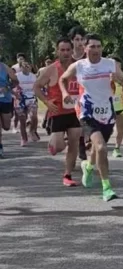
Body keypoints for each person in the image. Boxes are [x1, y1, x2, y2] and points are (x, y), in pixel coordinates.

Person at [59, 34, 123, 201]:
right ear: (85, 48)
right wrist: (65, 93)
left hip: (107, 112)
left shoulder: (110, 64)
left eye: (99, 46)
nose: (96, 50)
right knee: (101, 148)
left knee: (97, 148)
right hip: (86, 111)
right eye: (92, 46)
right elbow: (63, 79)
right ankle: (107, 188)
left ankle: (89, 166)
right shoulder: (79, 66)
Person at [34, 38, 83, 186]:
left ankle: (67, 175)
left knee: (74, 140)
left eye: (68, 50)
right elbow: (36, 86)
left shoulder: (78, 67)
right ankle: (53, 145)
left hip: (74, 111)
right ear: (57, 51)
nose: (66, 53)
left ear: (72, 50)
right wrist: (46, 102)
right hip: (57, 112)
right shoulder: (52, 69)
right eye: (62, 50)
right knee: (59, 146)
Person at [68, 26, 90, 161]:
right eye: (77, 39)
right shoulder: (67, 57)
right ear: (72, 41)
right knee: (73, 129)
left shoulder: (89, 57)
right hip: (69, 96)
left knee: (81, 124)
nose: (80, 42)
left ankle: (82, 150)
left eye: (82, 39)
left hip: (85, 95)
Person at [13, 61, 40, 145]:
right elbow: (11, 86)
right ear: (20, 68)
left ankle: (32, 131)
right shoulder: (17, 76)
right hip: (20, 100)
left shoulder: (34, 76)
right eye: (24, 66)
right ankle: (24, 138)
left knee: (34, 116)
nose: (26, 67)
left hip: (31, 99)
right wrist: (16, 93)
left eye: (28, 65)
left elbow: (37, 87)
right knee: (22, 119)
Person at [0, 61, 19, 158]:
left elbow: (15, 81)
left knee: (6, 126)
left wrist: (6, 88)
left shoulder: (5, 67)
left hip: (5, 99)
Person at [110, 75, 123, 158]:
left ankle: (117, 149)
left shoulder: (121, 85)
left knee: (120, 130)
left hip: (119, 110)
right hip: (106, 111)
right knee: (105, 131)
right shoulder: (104, 84)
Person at [10, 53, 26, 134]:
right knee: (17, 111)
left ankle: (22, 127)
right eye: (19, 58)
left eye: (22, 58)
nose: (21, 60)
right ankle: (14, 127)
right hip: (16, 92)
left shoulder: (26, 66)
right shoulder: (14, 67)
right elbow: (11, 80)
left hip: (25, 92)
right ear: (17, 59)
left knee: (25, 111)